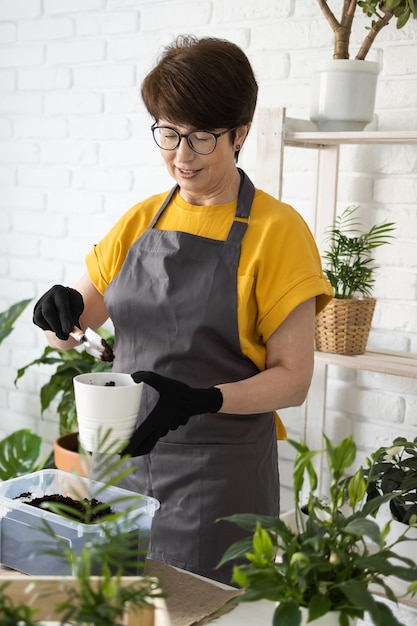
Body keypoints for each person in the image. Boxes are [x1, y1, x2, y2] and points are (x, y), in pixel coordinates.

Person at [33, 35, 333, 584]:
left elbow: (293, 381)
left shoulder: (278, 231)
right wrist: (60, 312)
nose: (181, 156)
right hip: (124, 464)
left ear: (240, 133)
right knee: (124, 602)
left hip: (219, 477)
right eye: (168, 133)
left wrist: (202, 399)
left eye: (200, 138)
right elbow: (74, 329)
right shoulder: (140, 220)